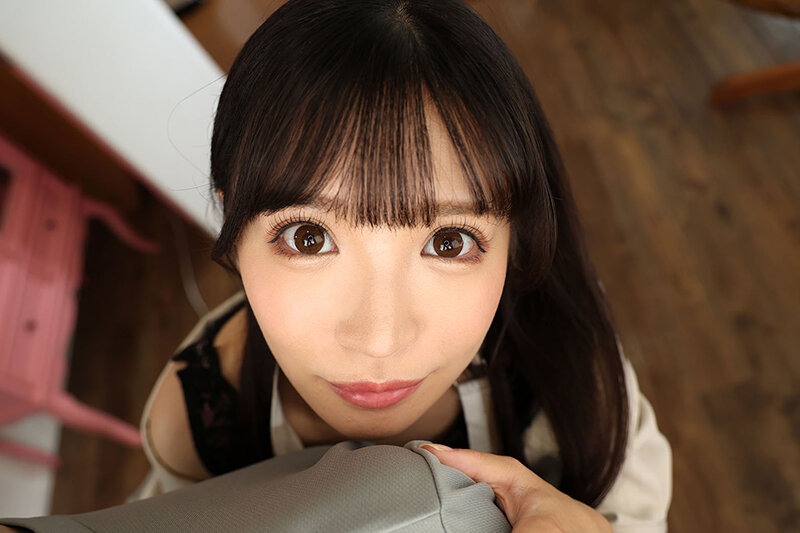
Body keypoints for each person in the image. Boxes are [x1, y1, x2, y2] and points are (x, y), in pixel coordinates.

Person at [135, 0, 673, 531]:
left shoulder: (574, 379)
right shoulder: (195, 427)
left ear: (516, 237)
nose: (380, 340)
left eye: (449, 243)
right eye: (309, 238)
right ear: (233, 228)